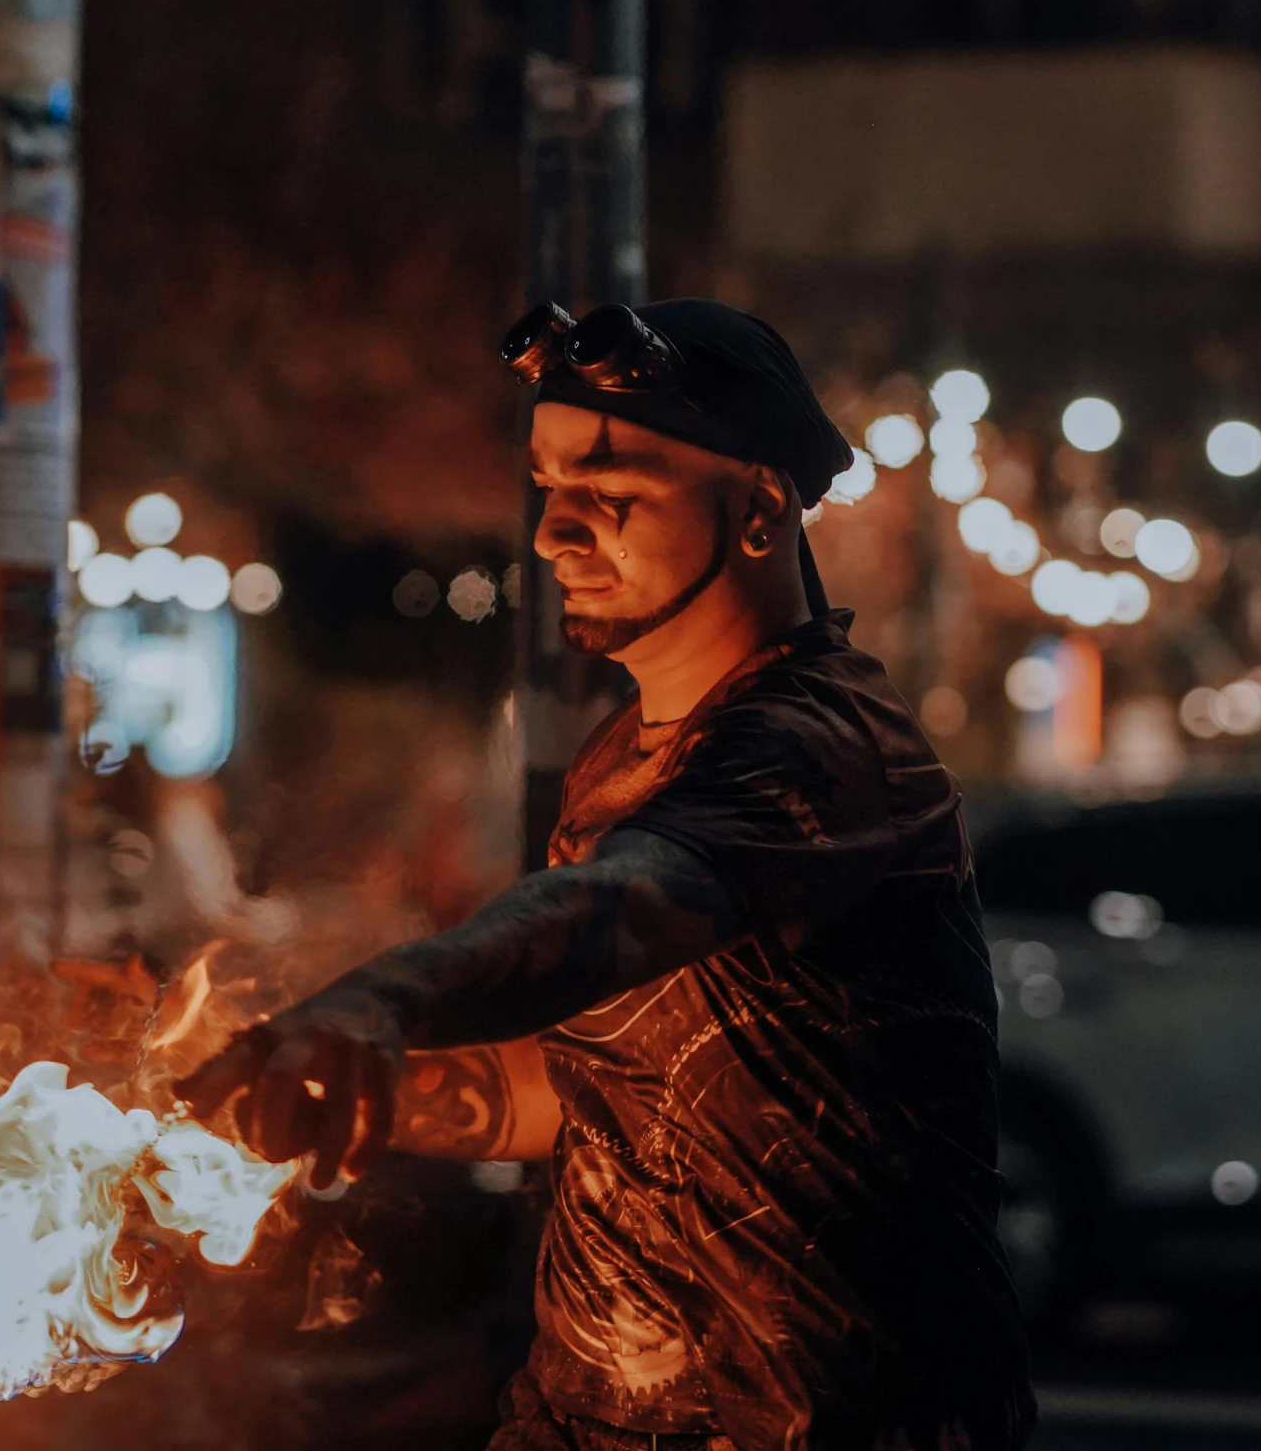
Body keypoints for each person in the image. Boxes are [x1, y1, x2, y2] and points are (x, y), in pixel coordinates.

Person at [185, 300, 1035, 1451]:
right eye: (546, 486)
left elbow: (615, 909)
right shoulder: (623, 763)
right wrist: (294, 1083)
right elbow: (598, 1088)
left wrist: (379, 1000)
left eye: (610, 488)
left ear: (756, 510)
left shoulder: (821, 747)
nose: (551, 533)